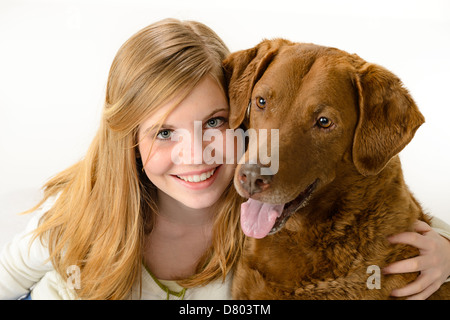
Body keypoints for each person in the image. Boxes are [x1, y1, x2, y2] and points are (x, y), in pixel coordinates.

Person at [0, 18, 449, 300]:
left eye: (214, 123)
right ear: (128, 140)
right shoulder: (78, 218)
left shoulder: (258, 214)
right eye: (164, 132)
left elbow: (404, 222)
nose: (195, 154)